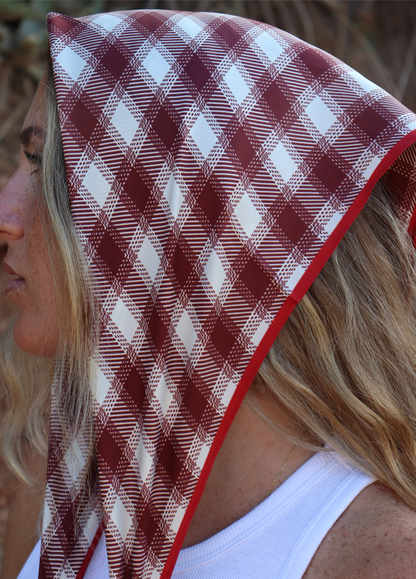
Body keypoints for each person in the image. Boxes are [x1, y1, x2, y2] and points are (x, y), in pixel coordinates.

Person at [1, 8, 416, 579]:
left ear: (193, 222)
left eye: (47, 166)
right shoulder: (59, 480)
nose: (6, 213)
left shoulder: (378, 557)